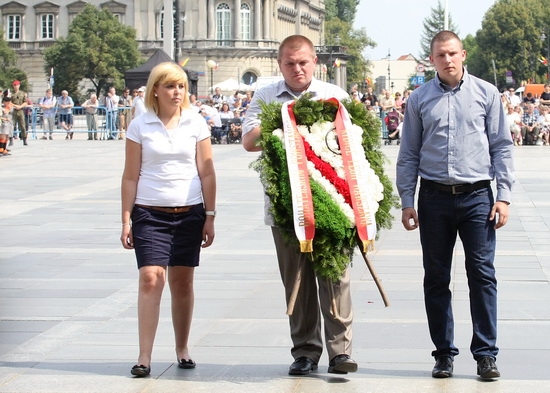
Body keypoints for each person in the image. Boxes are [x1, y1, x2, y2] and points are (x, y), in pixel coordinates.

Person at [396, 30, 514, 381]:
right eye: (440, 55)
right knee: (436, 277)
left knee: (482, 275)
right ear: (431, 60)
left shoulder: (486, 94)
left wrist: (504, 195)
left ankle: (485, 354)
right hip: (433, 199)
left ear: (463, 54)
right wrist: (406, 200)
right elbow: (409, 154)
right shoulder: (419, 99)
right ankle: (444, 354)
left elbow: (502, 146)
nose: (447, 60)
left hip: (478, 196)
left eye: (452, 53)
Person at [242, 34, 358, 376]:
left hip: (333, 203)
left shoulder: (335, 96)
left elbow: (356, 145)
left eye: (303, 62)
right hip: (287, 206)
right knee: (297, 281)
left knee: (335, 277)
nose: (297, 69)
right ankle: (305, 351)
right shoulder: (265, 97)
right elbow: (249, 141)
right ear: (280, 65)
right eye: (290, 63)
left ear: (315, 63)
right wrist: (285, 119)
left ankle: (341, 352)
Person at [120, 61, 216, 378]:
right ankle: (144, 356)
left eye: (181, 87)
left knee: (182, 282)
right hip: (149, 212)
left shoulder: (195, 123)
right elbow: (130, 176)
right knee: (151, 277)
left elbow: (207, 171)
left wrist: (210, 215)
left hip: (190, 212)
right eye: (171, 86)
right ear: (156, 90)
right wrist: (126, 219)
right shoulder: (140, 125)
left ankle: (182, 348)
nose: (177, 92)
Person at [10, 80, 27, 145]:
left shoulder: (22, 93)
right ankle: (11, 139)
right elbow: (8, 102)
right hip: (13, 111)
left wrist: (20, 106)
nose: (15, 86)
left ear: (19, 85)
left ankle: (24, 139)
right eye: (14, 85)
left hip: (20, 111)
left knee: (22, 126)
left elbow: (25, 102)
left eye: (16, 85)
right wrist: (15, 105)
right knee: (12, 126)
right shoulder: (11, 94)